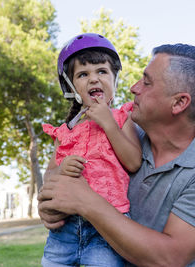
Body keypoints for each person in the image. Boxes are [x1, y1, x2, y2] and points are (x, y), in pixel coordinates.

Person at [38, 43, 195, 266]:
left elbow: (168, 257)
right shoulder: (119, 139)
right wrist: (49, 207)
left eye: (146, 82)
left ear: (179, 103)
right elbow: (59, 179)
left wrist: (86, 203)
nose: (133, 88)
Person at [40, 33, 142, 267]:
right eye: (83, 74)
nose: (94, 79)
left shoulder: (121, 118)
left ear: (114, 78)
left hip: (107, 227)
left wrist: (108, 123)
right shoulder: (65, 131)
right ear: (71, 85)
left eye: (102, 71)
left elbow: (133, 161)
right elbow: (49, 177)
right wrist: (62, 169)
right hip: (65, 229)